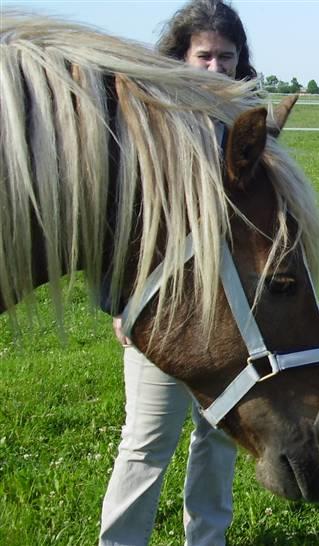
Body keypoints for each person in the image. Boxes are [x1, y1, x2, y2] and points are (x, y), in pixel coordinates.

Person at [99, 2, 255, 545]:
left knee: (218, 437)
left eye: (226, 58)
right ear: (181, 55)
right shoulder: (147, 120)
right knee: (146, 441)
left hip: (228, 316)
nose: (214, 68)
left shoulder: (247, 125)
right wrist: (121, 303)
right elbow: (120, 222)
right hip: (162, 312)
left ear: (240, 62)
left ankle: (207, 540)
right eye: (204, 56)